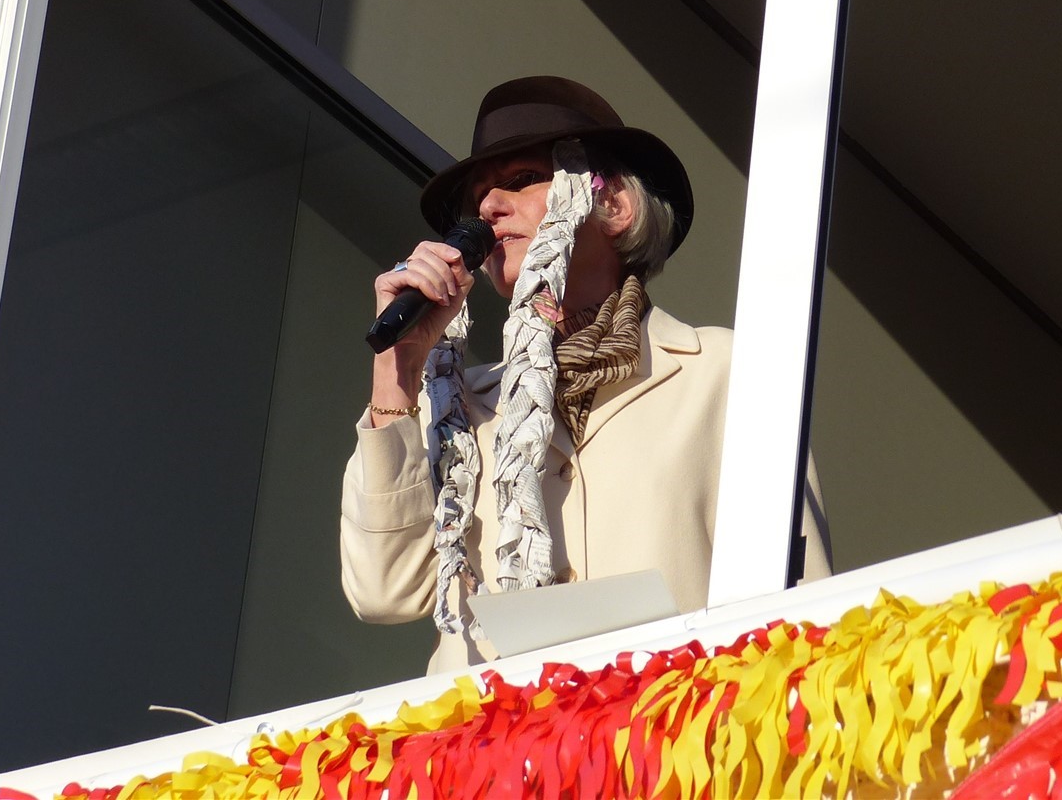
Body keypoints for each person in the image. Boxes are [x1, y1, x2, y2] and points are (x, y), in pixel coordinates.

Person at [340, 76, 832, 673]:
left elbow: (803, 614)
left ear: (615, 205)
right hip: (498, 733)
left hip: (676, 725)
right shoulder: (455, 408)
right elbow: (385, 591)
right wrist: (397, 372)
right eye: (478, 199)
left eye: (523, 178)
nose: (489, 209)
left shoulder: (727, 374)